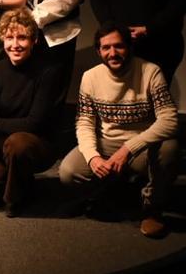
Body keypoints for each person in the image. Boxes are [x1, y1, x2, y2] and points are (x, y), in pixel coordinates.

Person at [58, 24, 179, 238]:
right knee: (68, 172)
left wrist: (128, 150)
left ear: (129, 47)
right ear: (99, 51)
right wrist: (94, 157)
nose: (112, 53)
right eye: (106, 48)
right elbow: (85, 122)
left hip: (141, 146)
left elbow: (169, 120)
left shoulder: (150, 72)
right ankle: (108, 190)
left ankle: (151, 209)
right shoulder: (90, 77)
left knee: (169, 151)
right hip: (107, 143)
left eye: (118, 46)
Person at [0, 9, 63, 216]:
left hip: (35, 144)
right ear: (2, 39)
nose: (15, 44)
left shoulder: (48, 72)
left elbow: (34, 123)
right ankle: (16, 181)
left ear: (34, 40)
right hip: (2, 145)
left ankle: (14, 199)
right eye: (9, 37)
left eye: (22, 37)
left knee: (17, 143)